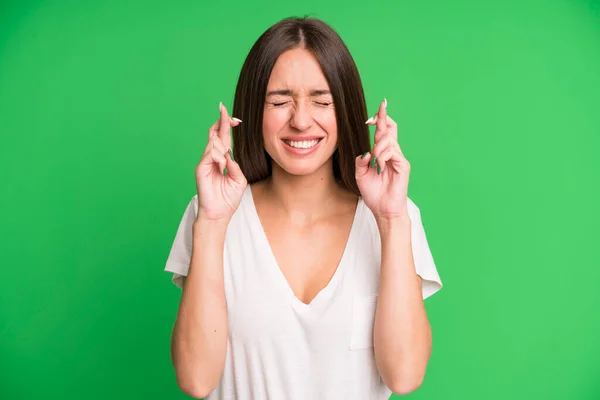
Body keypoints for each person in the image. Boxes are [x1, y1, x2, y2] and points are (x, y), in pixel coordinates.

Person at [164, 16, 443, 400]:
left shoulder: (395, 215)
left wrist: (392, 220)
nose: (300, 120)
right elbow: (195, 379)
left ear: (344, 110)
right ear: (251, 112)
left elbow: (405, 375)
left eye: (322, 101)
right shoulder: (212, 212)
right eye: (280, 101)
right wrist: (211, 223)